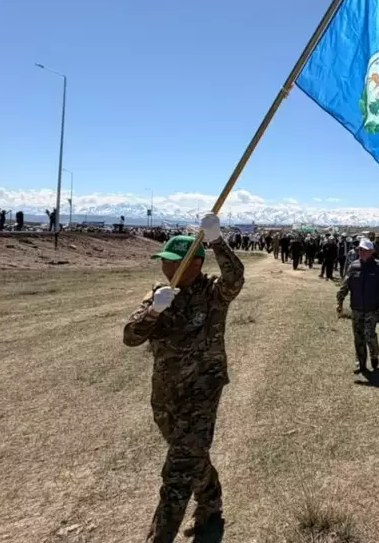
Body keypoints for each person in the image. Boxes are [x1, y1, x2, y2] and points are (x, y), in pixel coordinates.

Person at [122, 213, 244, 542]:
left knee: (178, 469)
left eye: (173, 261)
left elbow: (235, 278)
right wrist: (153, 311)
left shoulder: (213, 293)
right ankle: (211, 500)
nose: (166, 266)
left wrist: (216, 239)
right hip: (165, 393)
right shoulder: (159, 295)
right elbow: (130, 337)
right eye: (164, 260)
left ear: (195, 264)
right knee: (190, 453)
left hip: (202, 389)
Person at [336, 238, 379, 373]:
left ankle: (374, 355)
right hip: (357, 307)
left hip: (372, 308)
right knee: (358, 336)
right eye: (360, 249)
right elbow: (345, 285)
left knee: (370, 335)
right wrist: (340, 301)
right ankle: (360, 363)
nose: (361, 252)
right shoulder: (353, 266)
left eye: (365, 250)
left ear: (371, 251)